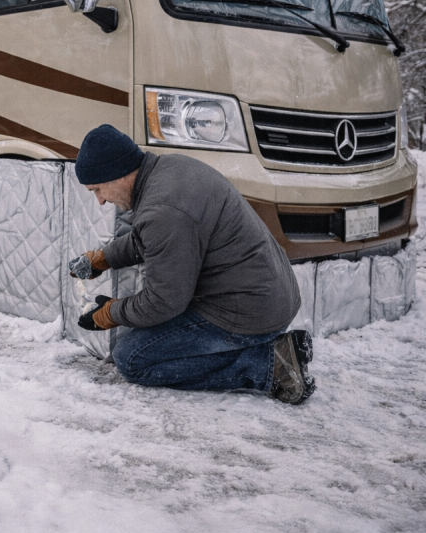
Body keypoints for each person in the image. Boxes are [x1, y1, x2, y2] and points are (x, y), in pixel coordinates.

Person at [71, 124, 315, 404]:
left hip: (248, 311)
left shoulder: (163, 211)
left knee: (133, 358)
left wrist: (110, 313)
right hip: (268, 294)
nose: (101, 200)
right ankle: (272, 350)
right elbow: (152, 239)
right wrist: (102, 260)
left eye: (98, 189)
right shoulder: (169, 170)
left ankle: (270, 364)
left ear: (117, 173)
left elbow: (164, 301)